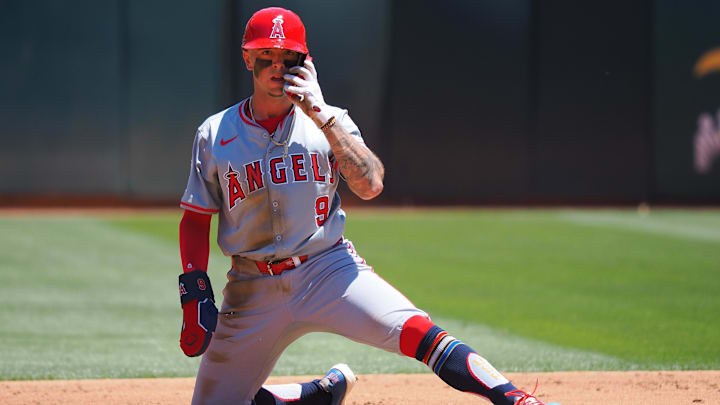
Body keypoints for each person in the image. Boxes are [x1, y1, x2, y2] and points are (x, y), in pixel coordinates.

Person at [178, 7, 552, 405]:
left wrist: (321, 115)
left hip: (327, 269)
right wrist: (193, 285)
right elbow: (196, 219)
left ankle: (518, 399)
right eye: (265, 56)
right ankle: (310, 397)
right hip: (252, 284)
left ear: (305, 62)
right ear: (247, 58)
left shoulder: (331, 122)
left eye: (287, 57)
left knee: (415, 329)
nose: (276, 66)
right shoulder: (216, 133)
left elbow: (371, 184)